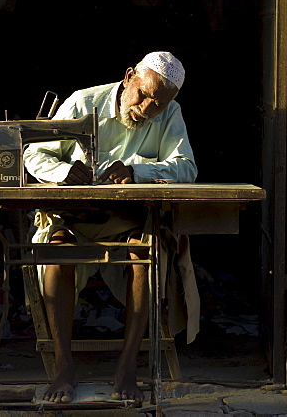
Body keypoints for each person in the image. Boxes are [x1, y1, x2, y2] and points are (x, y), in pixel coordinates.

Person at [22, 51, 197, 404]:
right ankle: (63, 365)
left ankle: (128, 367)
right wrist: (63, 173)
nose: (148, 108)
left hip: (127, 220)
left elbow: (186, 168)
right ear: (129, 76)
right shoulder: (84, 102)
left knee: (144, 257)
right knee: (57, 255)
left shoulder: (170, 114)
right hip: (74, 218)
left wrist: (137, 172)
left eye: (158, 105)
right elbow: (34, 153)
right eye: (143, 95)